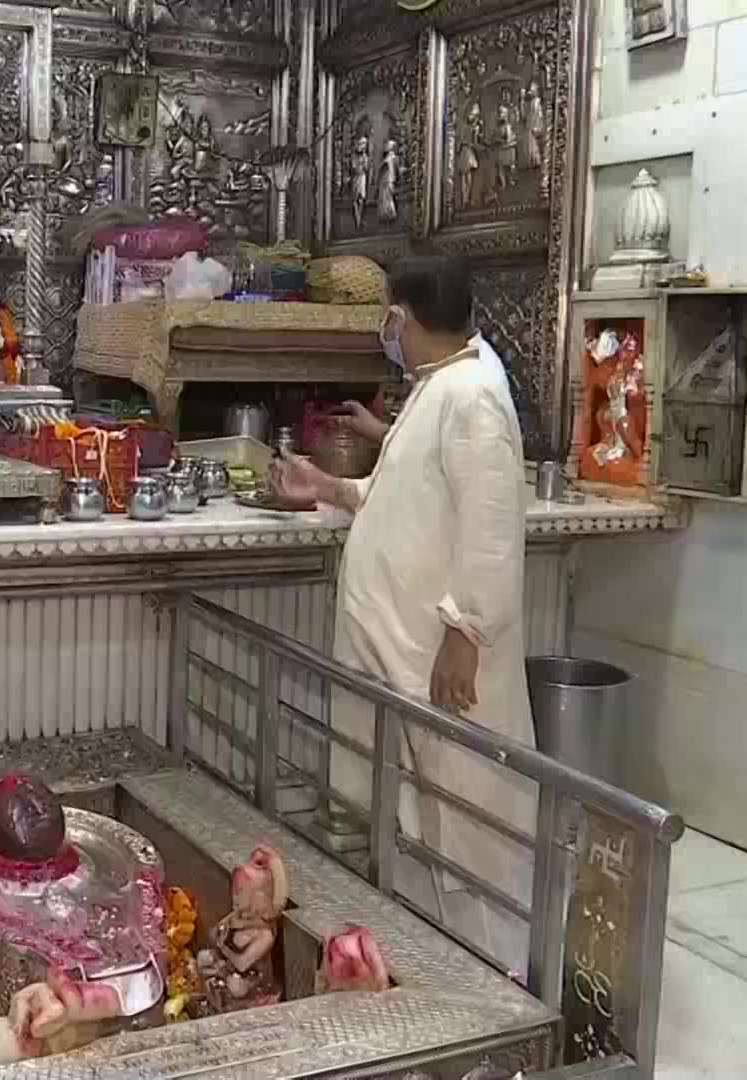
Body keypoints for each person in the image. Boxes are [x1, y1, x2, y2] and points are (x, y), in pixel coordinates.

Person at [271, 255, 535, 976]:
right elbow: (401, 499)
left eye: (390, 316)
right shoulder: (438, 386)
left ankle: (494, 985)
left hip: (441, 660)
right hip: (405, 655)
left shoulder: (475, 395)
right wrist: (325, 484)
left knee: (463, 826)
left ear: (408, 318)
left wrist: (466, 632)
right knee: (414, 825)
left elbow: (492, 527)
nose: (388, 330)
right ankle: (427, 972)